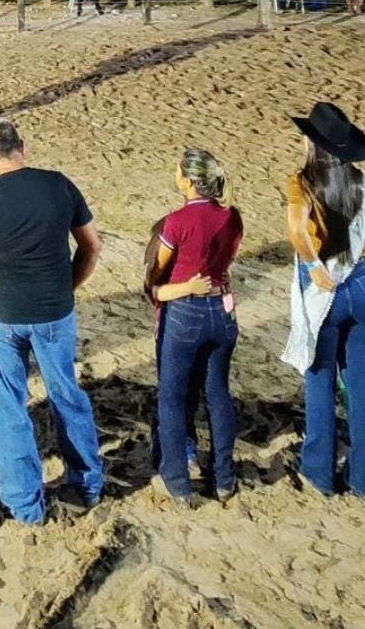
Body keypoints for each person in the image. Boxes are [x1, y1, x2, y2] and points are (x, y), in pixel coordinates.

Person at [0, 118, 104, 522]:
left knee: (9, 405)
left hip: (4, 312)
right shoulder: (59, 183)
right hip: (55, 309)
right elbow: (92, 246)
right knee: (66, 392)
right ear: (23, 145)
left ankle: (24, 503)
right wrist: (68, 285)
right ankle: (88, 481)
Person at [282, 104, 365, 497]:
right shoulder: (364, 182)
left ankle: (319, 474)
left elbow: (296, 227)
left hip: (327, 286)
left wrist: (312, 264)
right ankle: (362, 476)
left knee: (320, 381)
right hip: (361, 283)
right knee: (360, 382)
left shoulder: (304, 182)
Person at [145, 150, 242, 504]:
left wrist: (161, 289)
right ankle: (224, 477)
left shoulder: (177, 221)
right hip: (223, 309)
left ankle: (177, 479)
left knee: (171, 396)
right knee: (218, 394)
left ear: (187, 180)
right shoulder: (232, 217)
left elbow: (158, 271)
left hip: (187, 311)